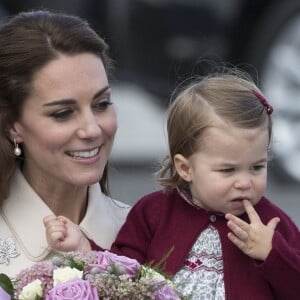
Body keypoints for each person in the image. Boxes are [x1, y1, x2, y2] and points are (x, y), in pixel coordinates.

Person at [44, 70, 300, 299]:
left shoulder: (271, 225)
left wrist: (271, 252)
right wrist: (84, 248)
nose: (245, 182)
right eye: (227, 170)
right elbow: (126, 274)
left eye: (257, 166)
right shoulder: (154, 213)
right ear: (185, 168)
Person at [0, 9, 131, 277]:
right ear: (13, 125)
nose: (92, 129)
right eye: (62, 113)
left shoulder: (152, 234)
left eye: (102, 104)